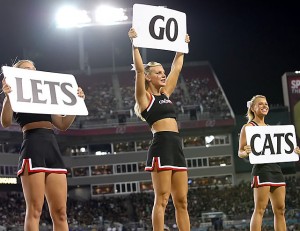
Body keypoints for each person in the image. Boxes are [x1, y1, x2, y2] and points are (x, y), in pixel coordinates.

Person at [0, 59, 85, 231]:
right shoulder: (14, 94)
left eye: (32, 69)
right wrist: (8, 97)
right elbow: (6, 122)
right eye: (25, 69)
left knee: (61, 212)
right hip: (32, 147)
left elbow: (62, 124)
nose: (30, 71)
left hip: (52, 148)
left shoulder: (47, 96)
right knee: (35, 210)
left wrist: (77, 103)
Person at [128, 28, 190, 231]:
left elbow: (177, 67)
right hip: (161, 146)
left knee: (182, 201)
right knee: (162, 199)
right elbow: (138, 70)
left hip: (176, 146)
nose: (163, 75)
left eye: (163, 72)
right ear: (148, 77)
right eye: (158, 73)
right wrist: (134, 44)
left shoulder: (165, 93)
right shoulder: (145, 98)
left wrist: (181, 46)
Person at [238, 95, 300, 231]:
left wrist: (294, 150)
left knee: (280, 209)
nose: (264, 106)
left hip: (276, 169)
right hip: (261, 170)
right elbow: (240, 152)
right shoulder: (248, 127)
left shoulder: (271, 128)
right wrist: (245, 151)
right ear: (253, 108)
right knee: (260, 209)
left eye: (266, 103)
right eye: (260, 104)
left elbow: (283, 149)